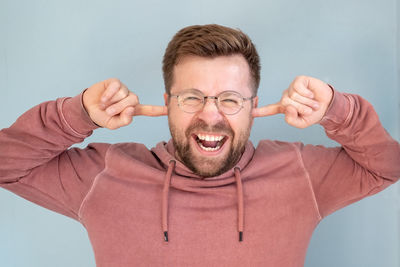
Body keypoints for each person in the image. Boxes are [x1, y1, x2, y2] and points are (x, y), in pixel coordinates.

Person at [0, 24, 399, 267]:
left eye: (229, 99)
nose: (210, 116)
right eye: (191, 97)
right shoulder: (105, 175)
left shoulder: (301, 173)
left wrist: (336, 109)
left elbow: (387, 166)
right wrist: (80, 113)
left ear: (253, 108)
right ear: (167, 103)